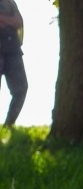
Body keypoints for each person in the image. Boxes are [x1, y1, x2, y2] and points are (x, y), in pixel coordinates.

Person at [0, 0, 26, 128]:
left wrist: (3, 20)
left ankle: (8, 125)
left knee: (21, 88)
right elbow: (14, 21)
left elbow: (18, 22)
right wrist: (9, 21)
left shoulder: (10, 2)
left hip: (12, 49)